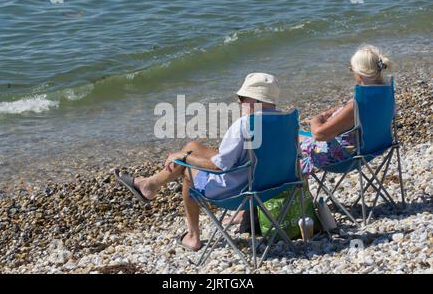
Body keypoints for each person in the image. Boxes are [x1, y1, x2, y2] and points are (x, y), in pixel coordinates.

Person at [114, 73, 281, 251]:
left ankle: (193, 236)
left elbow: (219, 166)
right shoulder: (285, 121)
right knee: (193, 146)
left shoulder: (245, 124)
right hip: (271, 185)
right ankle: (150, 184)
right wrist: (189, 153)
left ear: (255, 99)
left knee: (187, 171)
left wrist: (184, 159)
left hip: (241, 190)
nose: (239, 102)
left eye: (242, 98)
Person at [299, 44, 393, 174]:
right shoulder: (385, 92)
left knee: (294, 138)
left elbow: (319, 134)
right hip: (375, 148)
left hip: (343, 159)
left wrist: (316, 120)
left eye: (351, 70)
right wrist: (338, 111)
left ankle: (293, 187)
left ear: (359, 74)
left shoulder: (357, 105)